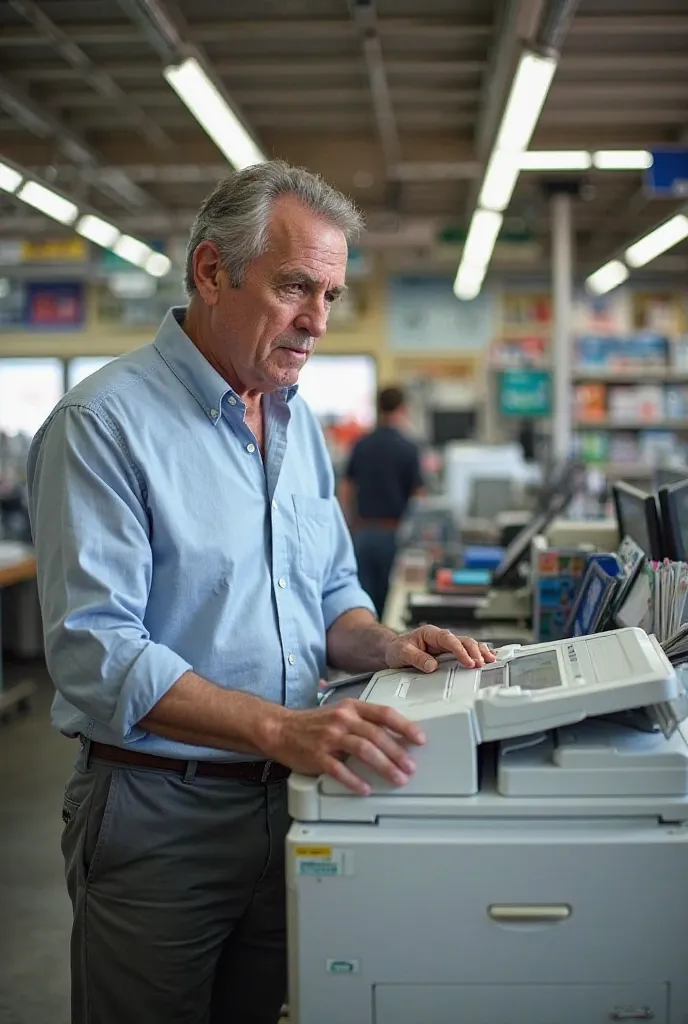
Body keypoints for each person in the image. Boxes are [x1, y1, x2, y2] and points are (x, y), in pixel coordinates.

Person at [27, 160, 495, 1024]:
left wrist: (386, 644)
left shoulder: (296, 421)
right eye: (294, 288)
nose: (317, 321)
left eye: (331, 295)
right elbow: (97, 652)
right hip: (157, 816)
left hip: (289, 805)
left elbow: (331, 599)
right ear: (213, 272)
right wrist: (283, 727)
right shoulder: (104, 425)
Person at [341, 385, 423, 617]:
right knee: (393, 608)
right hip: (394, 535)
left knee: (362, 604)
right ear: (403, 409)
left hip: (363, 533)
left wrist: (350, 523)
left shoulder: (361, 444)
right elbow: (418, 495)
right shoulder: (408, 447)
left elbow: (347, 487)